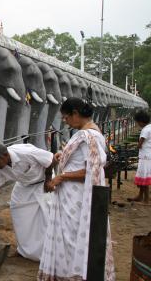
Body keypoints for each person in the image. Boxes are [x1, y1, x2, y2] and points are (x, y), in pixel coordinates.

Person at [38, 97, 115, 281]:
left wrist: (62, 176)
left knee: (73, 237)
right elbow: (83, 161)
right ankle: (69, 272)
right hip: (71, 197)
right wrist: (62, 155)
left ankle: (76, 274)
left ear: (76, 114)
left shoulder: (89, 135)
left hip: (77, 198)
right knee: (69, 236)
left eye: (66, 117)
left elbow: (91, 170)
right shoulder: (88, 133)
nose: (65, 121)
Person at [0, 139, 57, 261]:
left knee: (46, 217)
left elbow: (51, 159)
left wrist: (49, 179)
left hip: (42, 183)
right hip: (23, 185)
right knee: (18, 214)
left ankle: (48, 253)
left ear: (6, 155)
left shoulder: (26, 152)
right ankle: (24, 250)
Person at [128, 109, 151, 203]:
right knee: (143, 176)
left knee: (144, 177)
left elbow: (140, 144)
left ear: (141, 121)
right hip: (147, 155)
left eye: (137, 122)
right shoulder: (150, 127)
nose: (137, 124)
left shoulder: (145, 130)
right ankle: (140, 196)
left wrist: (134, 147)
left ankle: (146, 198)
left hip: (145, 156)